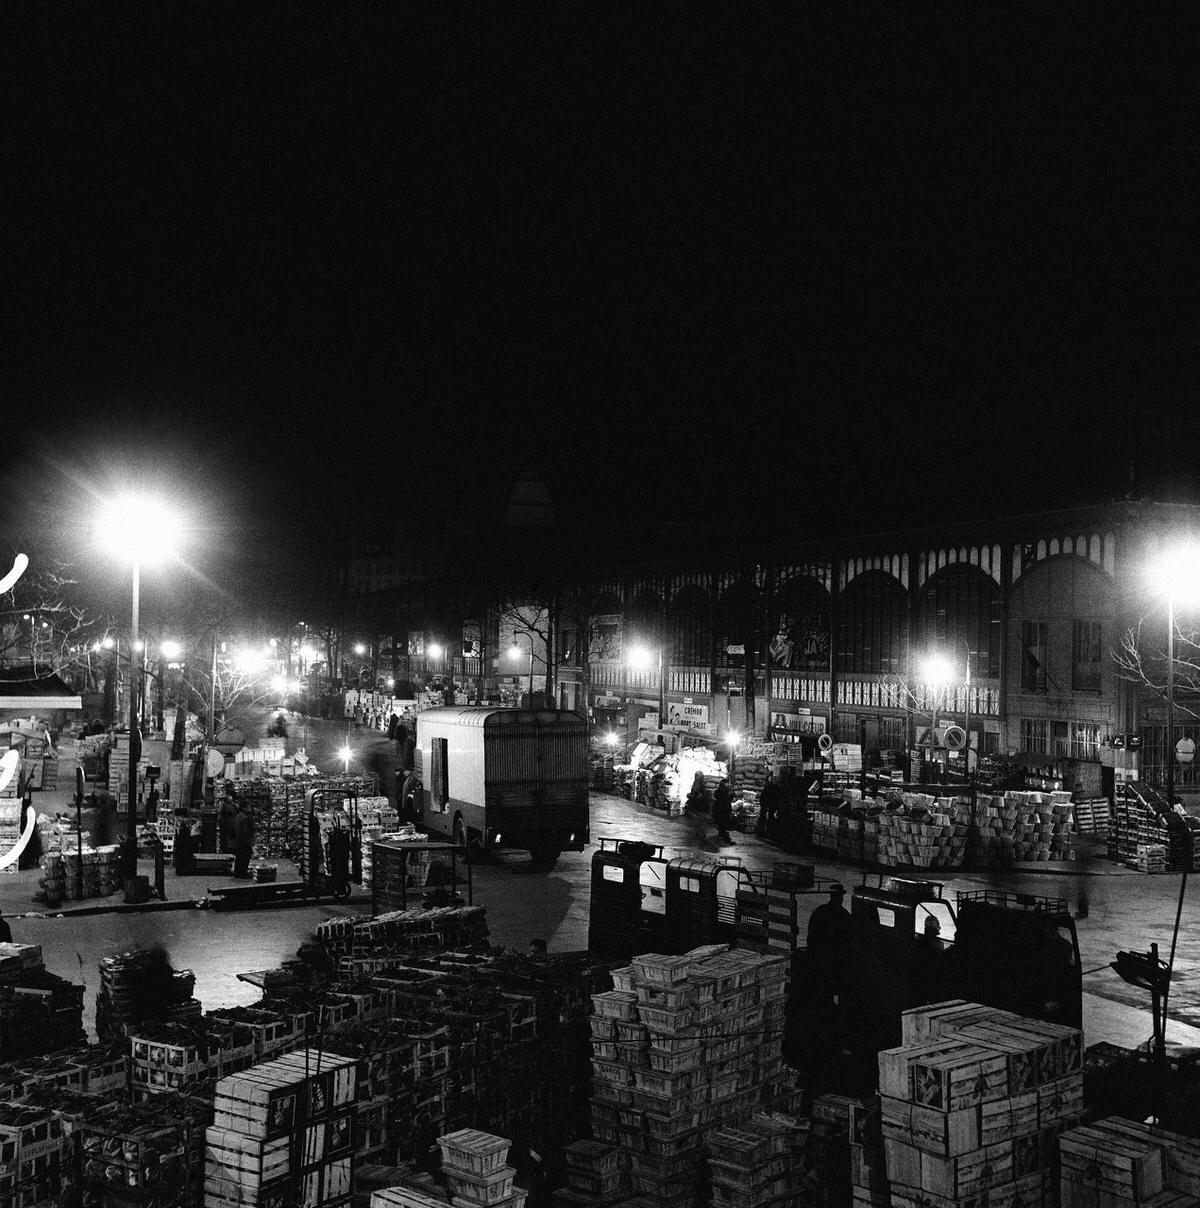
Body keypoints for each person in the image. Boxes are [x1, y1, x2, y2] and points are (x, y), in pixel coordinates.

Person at [806, 882, 854, 1006]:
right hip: (836, 959)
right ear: (841, 898)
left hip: (820, 956)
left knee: (822, 985)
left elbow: (811, 935)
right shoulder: (845, 916)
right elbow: (848, 939)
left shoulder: (819, 912)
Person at [232, 800, 255, 878]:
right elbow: (245, 831)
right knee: (244, 858)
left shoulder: (239, 815)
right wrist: (248, 841)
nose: (250, 808)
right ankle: (242, 873)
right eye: (248, 807)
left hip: (239, 841)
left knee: (239, 858)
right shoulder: (245, 817)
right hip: (243, 841)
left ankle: (238, 872)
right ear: (244, 808)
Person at [758, 770, 782, 840]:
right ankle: (767, 832)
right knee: (768, 816)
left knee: (765, 815)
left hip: (768, 801)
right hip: (768, 801)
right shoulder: (774, 787)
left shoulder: (769, 786)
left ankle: (763, 831)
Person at [712, 779, 734, 844]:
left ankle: (722, 834)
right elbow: (724, 798)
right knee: (723, 823)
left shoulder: (726, 790)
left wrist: (731, 793)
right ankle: (724, 836)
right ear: (723, 784)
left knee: (723, 824)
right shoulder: (720, 791)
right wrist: (729, 794)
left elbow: (729, 799)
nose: (728, 784)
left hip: (725, 809)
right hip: (721, 810)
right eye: (727, 783)